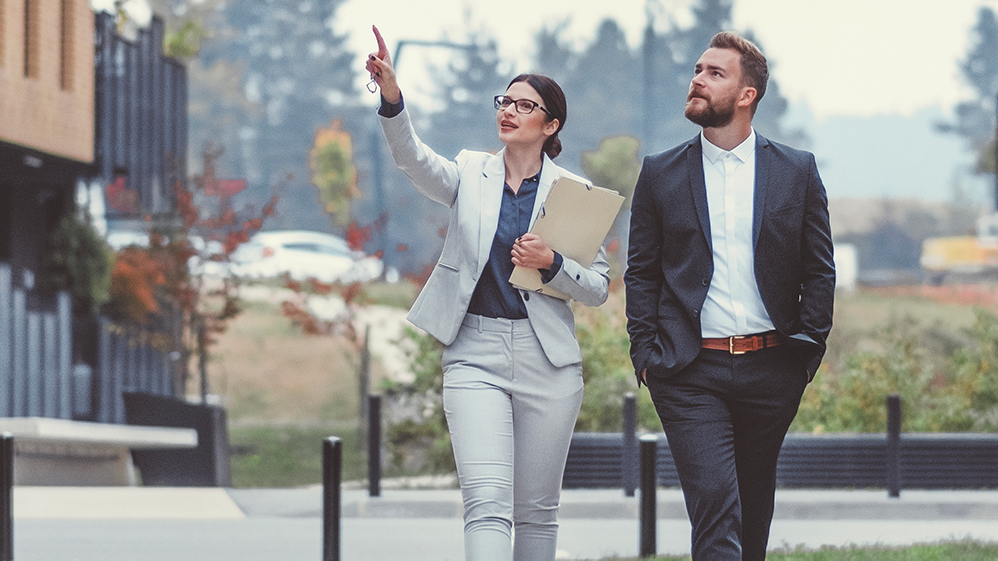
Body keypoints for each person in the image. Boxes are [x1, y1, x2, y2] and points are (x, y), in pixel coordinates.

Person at [365, 25, 610, 561]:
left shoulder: (575, 195)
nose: (509, 111)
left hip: (549, 361)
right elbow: (413, 160)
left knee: (537, 513)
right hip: (473, 354)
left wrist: (552, 266)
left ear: (550, 125)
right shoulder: (469, 173)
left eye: (525, 105)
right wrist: (392, 97)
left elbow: (598, 289)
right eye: (505, 101)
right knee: (486, 503)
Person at [624, 31, 835, 561]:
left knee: (754, 502)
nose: (697, 79)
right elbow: (642, 273)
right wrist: (645, 355)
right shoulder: (660, 173)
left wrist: (806, 351)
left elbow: (820, 270)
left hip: (774, 366)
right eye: (697, 69)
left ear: (747, 95)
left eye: (715, 73)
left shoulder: (796, 171)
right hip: (689, 369)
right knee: (716, 499)